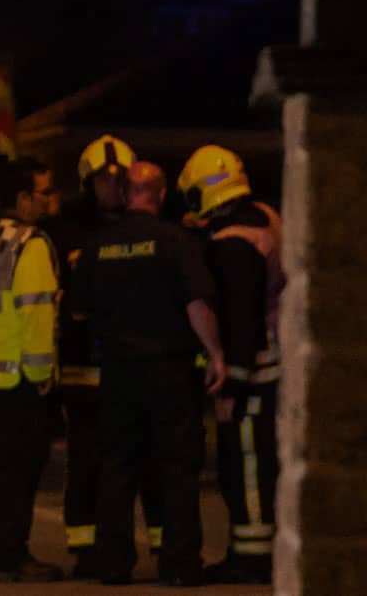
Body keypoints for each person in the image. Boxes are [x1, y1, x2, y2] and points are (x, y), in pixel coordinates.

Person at [73, 161, 228, 587]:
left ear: (125, 194)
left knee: (117, 468)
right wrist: (215, 353)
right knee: (177, 468)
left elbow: (80, 307)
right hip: (170, 373)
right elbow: (198, 305)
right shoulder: (175, 242)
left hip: (118, 375)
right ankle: (179, 566)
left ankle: (114, 563)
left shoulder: (98, 246)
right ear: (159, 195)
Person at [38, 135, 166, 574]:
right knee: (88, 460)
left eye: (119, 180)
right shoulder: (64, 233)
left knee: (148, 459)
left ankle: (160, 547)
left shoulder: (146, 227)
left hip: (132, 366)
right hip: (82, 369)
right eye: (103, 180)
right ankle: (85, 549)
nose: (113, 188)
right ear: (86, 184)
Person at [177, 145, 283, 584]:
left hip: (253, 371)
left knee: (247, 464)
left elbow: (239, 320)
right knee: (263, 460)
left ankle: (253, 557)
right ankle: (256, 550)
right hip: (278, 361)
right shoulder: (266, 219)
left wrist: (231, 385)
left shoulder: (230, 245)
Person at [0, 160, 64, 582]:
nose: (49, 200)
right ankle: (12, 556)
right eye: (43, 192)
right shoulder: (32, 245)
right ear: (23, 199)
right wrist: (43, 375)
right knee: (19, 475)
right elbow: (37, 313)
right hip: (22, 379)